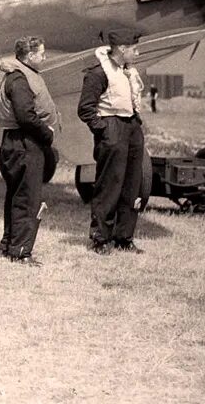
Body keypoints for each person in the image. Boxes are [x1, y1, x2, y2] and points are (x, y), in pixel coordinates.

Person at [77, 29, 146, 255]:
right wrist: (105, 130)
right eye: (134, 48)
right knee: (109, 185)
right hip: (112, 127)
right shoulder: (99, 73)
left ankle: (124, 237)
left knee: (131, 185)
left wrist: (135, 124)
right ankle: (100, 239)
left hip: (130, 127)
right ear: (122, 49)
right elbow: (85, 108)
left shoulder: (128, 72)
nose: (138, 51)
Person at [0, 36, 59, 267]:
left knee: (17, 195)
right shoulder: (20, 79)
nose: (44, 57)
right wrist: (47, 134)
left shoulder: (18, 75)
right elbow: (25, 116)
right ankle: (20, 250)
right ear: (30, 56)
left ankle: (9, 244)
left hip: (17, 142)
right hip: (25, 143)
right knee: (27, 198)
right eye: (41, 53)